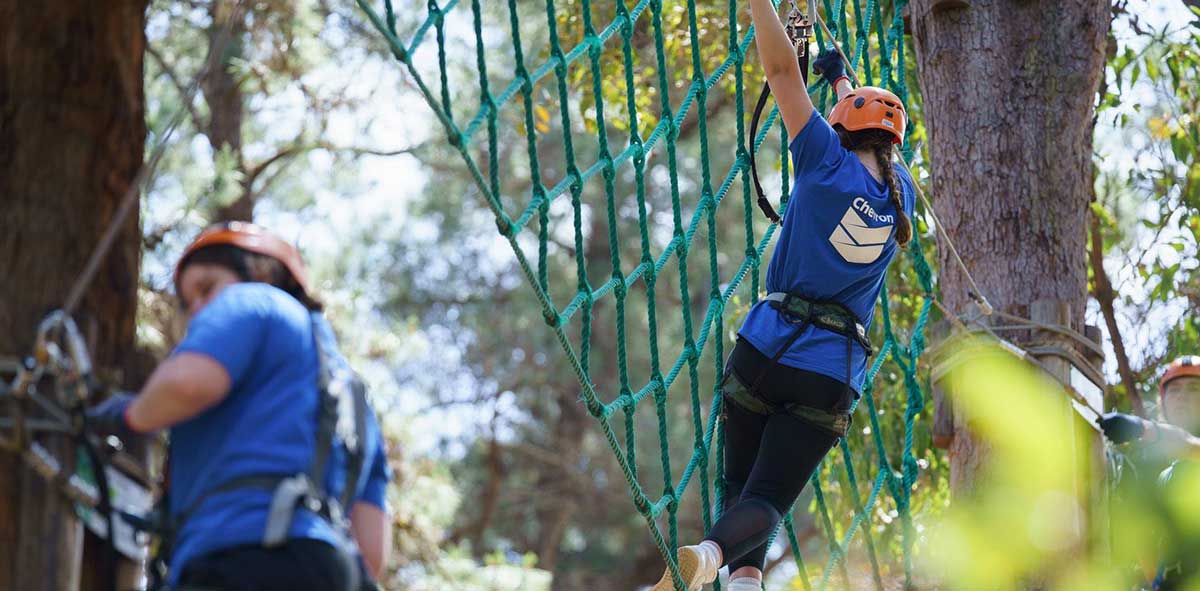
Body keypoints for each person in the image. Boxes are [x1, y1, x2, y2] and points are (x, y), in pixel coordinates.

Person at [648, 3, 915, 590]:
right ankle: (728, 567)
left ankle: (715, 556)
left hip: (765, 348)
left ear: (840, 129)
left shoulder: (822, 158)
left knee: (740, 487)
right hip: (829, 371)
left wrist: (761, 6)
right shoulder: (904, 198)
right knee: (768, 497)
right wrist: (843, 78)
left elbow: (779, 71)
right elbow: (871, 135)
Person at [87, 222, 392, 591]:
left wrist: (132, 413)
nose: (199, 309)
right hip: (330, 570)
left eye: (206, 287)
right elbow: (372, 551)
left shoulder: (254, 301)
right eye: (188, 303)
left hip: (242, 560)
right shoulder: (355, 398)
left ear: (261, 272)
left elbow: (185, 384)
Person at [1100, 356, 1200, 590]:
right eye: (1174, 390)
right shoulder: (1164, 474)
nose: (1182, 397)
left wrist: (1143, 428)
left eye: (1194, 388)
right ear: (1163, 401)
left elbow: (1187, 444)